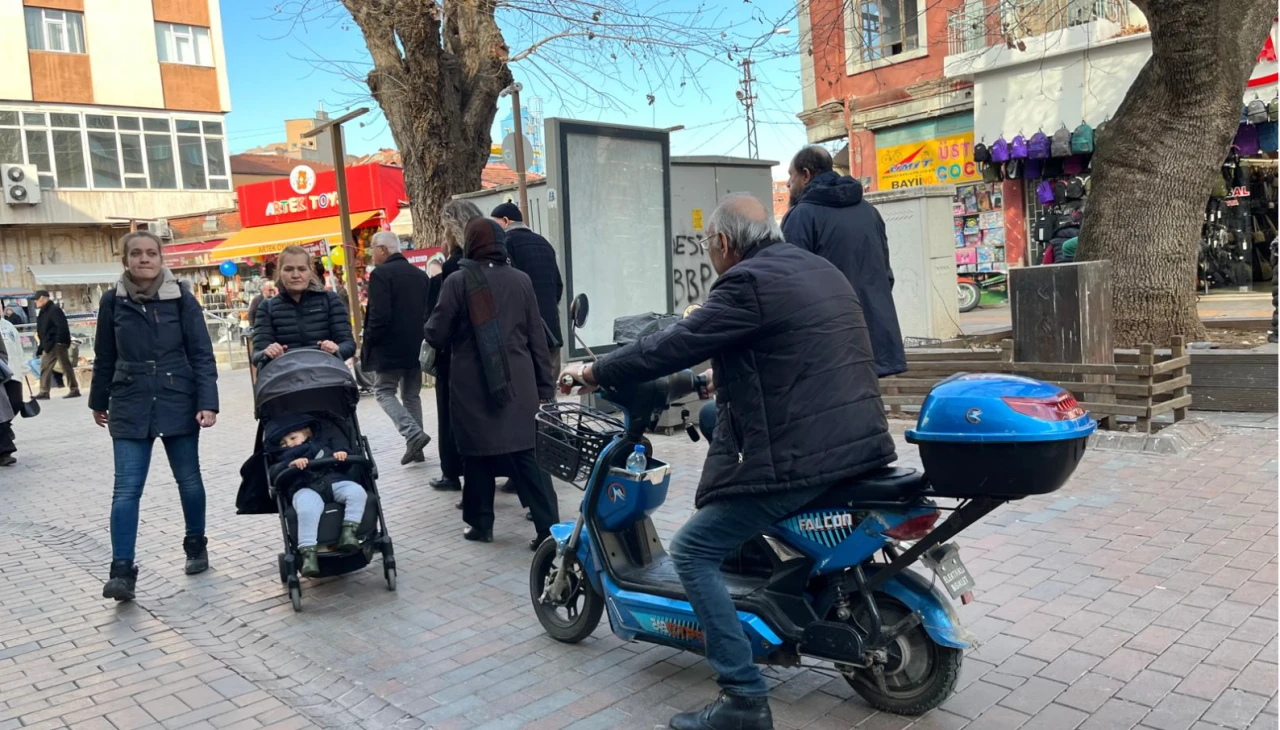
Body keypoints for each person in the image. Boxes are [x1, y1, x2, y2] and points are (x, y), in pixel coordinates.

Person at [562, 193, 895, 730]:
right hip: (858, 437)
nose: (707, 253)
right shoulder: (815, 269)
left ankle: (742, 698)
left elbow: (673, 344)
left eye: (706, 245)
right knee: (717, 418)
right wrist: (719, 378)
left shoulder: (747, 282)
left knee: (692, 550)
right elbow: (796, 351)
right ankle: (753, 568)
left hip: (805, 453)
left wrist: (594, 373)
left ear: (722, 243)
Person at [91, 232, 220, 602]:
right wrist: (99, 400)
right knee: (126, 489)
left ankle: (196, 543)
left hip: (177, 396)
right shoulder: (112, 301)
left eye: (151, 253)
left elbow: (201, 353)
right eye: (136, 254)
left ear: (161, 258)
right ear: (125, 260)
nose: (144, 259)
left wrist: (207, 401)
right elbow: (104, 355)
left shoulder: (181, 297)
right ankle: (121, 570)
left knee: (189, 480)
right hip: (130, 399)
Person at [425, 218, 560, 549]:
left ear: (471, 244)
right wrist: (545, 388)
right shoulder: (521, 280)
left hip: (473, 385)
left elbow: (436, 333)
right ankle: (548, 529)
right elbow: (536, 339)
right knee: (529, 455)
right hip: (520, 383)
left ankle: (480, 523)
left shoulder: (457, 281)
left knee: (477, 455)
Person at [781, 146, 907, 377]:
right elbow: (885, 275)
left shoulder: (800, 216)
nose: (789, 184)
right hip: (874, 336)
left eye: (791, 175)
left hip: (829, 343)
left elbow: (792, 288)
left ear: (806, 175)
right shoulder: (869, 211)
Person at [425, 200, 483, 492]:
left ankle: (454, 473)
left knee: (452, 414)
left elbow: (438, 319)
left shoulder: (452, 267)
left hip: (455, 354)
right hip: (490, 351)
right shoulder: (494, 259)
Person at [361, 231, 433, 464]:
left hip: (389, 347)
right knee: (411, 395)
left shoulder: (381, 275)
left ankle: (413, 435)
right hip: (416, 345)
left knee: (383, 391)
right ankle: (416, 448)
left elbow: (379, 315)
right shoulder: (419, 275)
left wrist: (369, 341)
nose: (371, 254)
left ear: (383, 249)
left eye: (372, 248)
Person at [266, 414, 366, 577]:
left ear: (307, 433)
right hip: (305, 489)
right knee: (307, 509)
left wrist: (341, 455)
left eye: (293, 438)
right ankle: (308, 554)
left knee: (357, 492)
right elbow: (275, 474)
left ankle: (349, 534)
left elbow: (344, 463)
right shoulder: (283, 458)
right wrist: (289, 466)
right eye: (283, 443)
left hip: (334, 482)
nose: (289, 444)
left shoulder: (323, 445)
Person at [491, 202, 564, 373]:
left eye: (496, 223)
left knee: (528, 392)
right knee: (549, 390)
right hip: (552, 331)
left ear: (506, 221)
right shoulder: (544, 244)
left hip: (524, 335)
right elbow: (558, 286)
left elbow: (508, 288)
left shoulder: (506, 244)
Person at [252, 246, 356, 364]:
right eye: (288, 269)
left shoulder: (330, 300)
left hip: (327, 376)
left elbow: (349, 345)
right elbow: (256, 355)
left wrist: (337, 349)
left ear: (310, 272)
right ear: (279, 272)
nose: (296, 275)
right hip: (286, 377)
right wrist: (267, 352)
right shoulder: (266, 308)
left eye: (302, 269)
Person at [34, 289, 80, 399]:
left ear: (42, 299)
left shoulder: (54, 310)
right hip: (49, 343)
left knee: (65, 365)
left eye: (36, 300)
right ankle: (44, 391)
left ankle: (73, 389)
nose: (35, 302)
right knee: (46, 366)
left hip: (56, 342)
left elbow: (62, 326)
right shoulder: (44, 311)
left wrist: (60, 341)